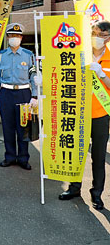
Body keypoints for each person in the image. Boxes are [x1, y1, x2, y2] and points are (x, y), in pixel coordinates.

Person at [59, 20, 110, 210]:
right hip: (77, 112)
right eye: (94, 33)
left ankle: (96, 194)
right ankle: (73, 188)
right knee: (76, 153)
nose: (96, 37)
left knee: (98, 156)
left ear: (108, 38)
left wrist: (102, 75)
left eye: (101, 35)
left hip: (100, 114)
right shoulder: (80, 54)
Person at [0, 23, 37, 170]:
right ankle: (10, 156)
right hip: (6, 94)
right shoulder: (1, 56)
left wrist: (34, 96)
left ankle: (23, 158)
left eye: (17, 36)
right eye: (11, 36)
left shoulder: (29, 56)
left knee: (23, 127)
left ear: (21, 38)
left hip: (24, 94)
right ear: (7, 38)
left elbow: (33, 76)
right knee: (7, 126)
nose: (14, 38)